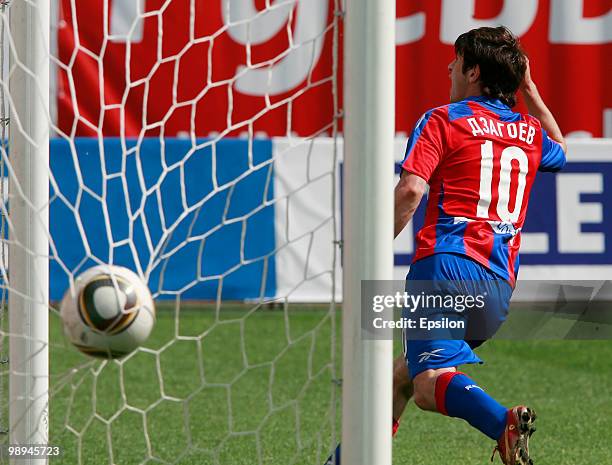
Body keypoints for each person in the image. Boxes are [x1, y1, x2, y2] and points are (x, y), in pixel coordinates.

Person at [325, 26, 566, 465]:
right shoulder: (529, 133)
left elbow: (410, 192)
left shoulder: (444, 118)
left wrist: (370, 248)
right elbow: (561, 150)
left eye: (456, 61)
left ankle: (501, 422)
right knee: (400, 377)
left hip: (445, 269)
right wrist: (529, 88)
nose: (448, 67)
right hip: (496, 290)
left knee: (425, 383)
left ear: (473, 71)